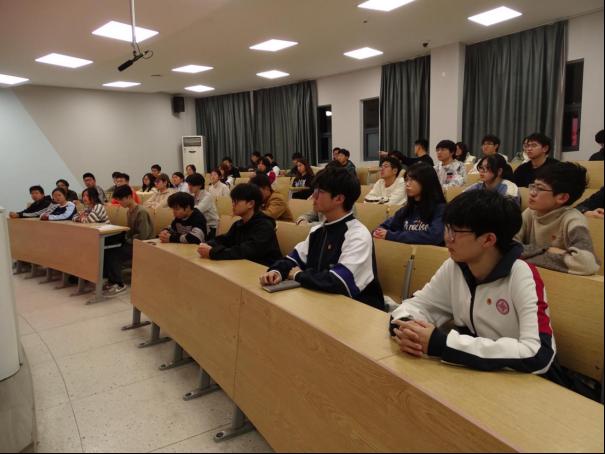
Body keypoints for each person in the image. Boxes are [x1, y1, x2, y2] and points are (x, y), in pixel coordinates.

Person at [389, 190, 563, 383]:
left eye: (456, 232)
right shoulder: (455, 266)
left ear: (488, 240)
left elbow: (539, 354)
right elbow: (419, 304)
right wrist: (406, 326)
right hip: (475, 374)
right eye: (448, 228)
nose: (447, 238)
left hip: (525, 382)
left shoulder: (521, 274)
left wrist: (444, 344)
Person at [260, 166, 385, 310]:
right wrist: (276, 272)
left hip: (358, 309)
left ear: (339, 198)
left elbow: (339, 282)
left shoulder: (358, 234)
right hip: (323, 300)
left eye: (320, 192)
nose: (313, 196)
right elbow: (293, 259)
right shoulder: (318, 231)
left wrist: (299, 275)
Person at [514, 162, 599, 275]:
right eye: (533, 186)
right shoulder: (530, 212)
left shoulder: (573, 219)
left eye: (540, 188)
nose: (532, 193)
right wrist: (547, 250)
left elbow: (587, 264)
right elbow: (508, 246)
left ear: (562, 197)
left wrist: (525, 254)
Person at [197, 183, 282, 266]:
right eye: (232, 201)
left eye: (236, 202)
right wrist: (208, 244)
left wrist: (213, 252)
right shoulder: (239, 223)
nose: (233, 205)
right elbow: (225, 239)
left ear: (251, 204)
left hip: (265, 269)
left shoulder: (264, 226)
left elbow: (246, 251)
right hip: (245, 266)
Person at [373, 162, 446, 245]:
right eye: (406, 180)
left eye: (412, 179)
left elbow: (434, 236)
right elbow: (383, 227)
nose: (407, 184)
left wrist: (391, 235)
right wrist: (378, 233)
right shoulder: (406, 210)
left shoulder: (441, 209)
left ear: (426, 181)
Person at [103, 185, 154, 296]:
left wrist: (127, 240)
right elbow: (130, 231)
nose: (119, 203)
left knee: (115, 253)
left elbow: (143, 235)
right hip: (133, 242)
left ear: (129, 197)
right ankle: (112, 280)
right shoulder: (129, 211)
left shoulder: (141, 211)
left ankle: (120, 284)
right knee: (108, 249)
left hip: (143, 245)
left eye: (121, 199)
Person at [186, 173, 219, 239]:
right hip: (199, 225)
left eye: (192, 185)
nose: (190, 187)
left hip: (211, 227)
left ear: (200, 185)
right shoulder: (192, 196)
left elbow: (197, 211)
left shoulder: (207, 196)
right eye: (189, 184)